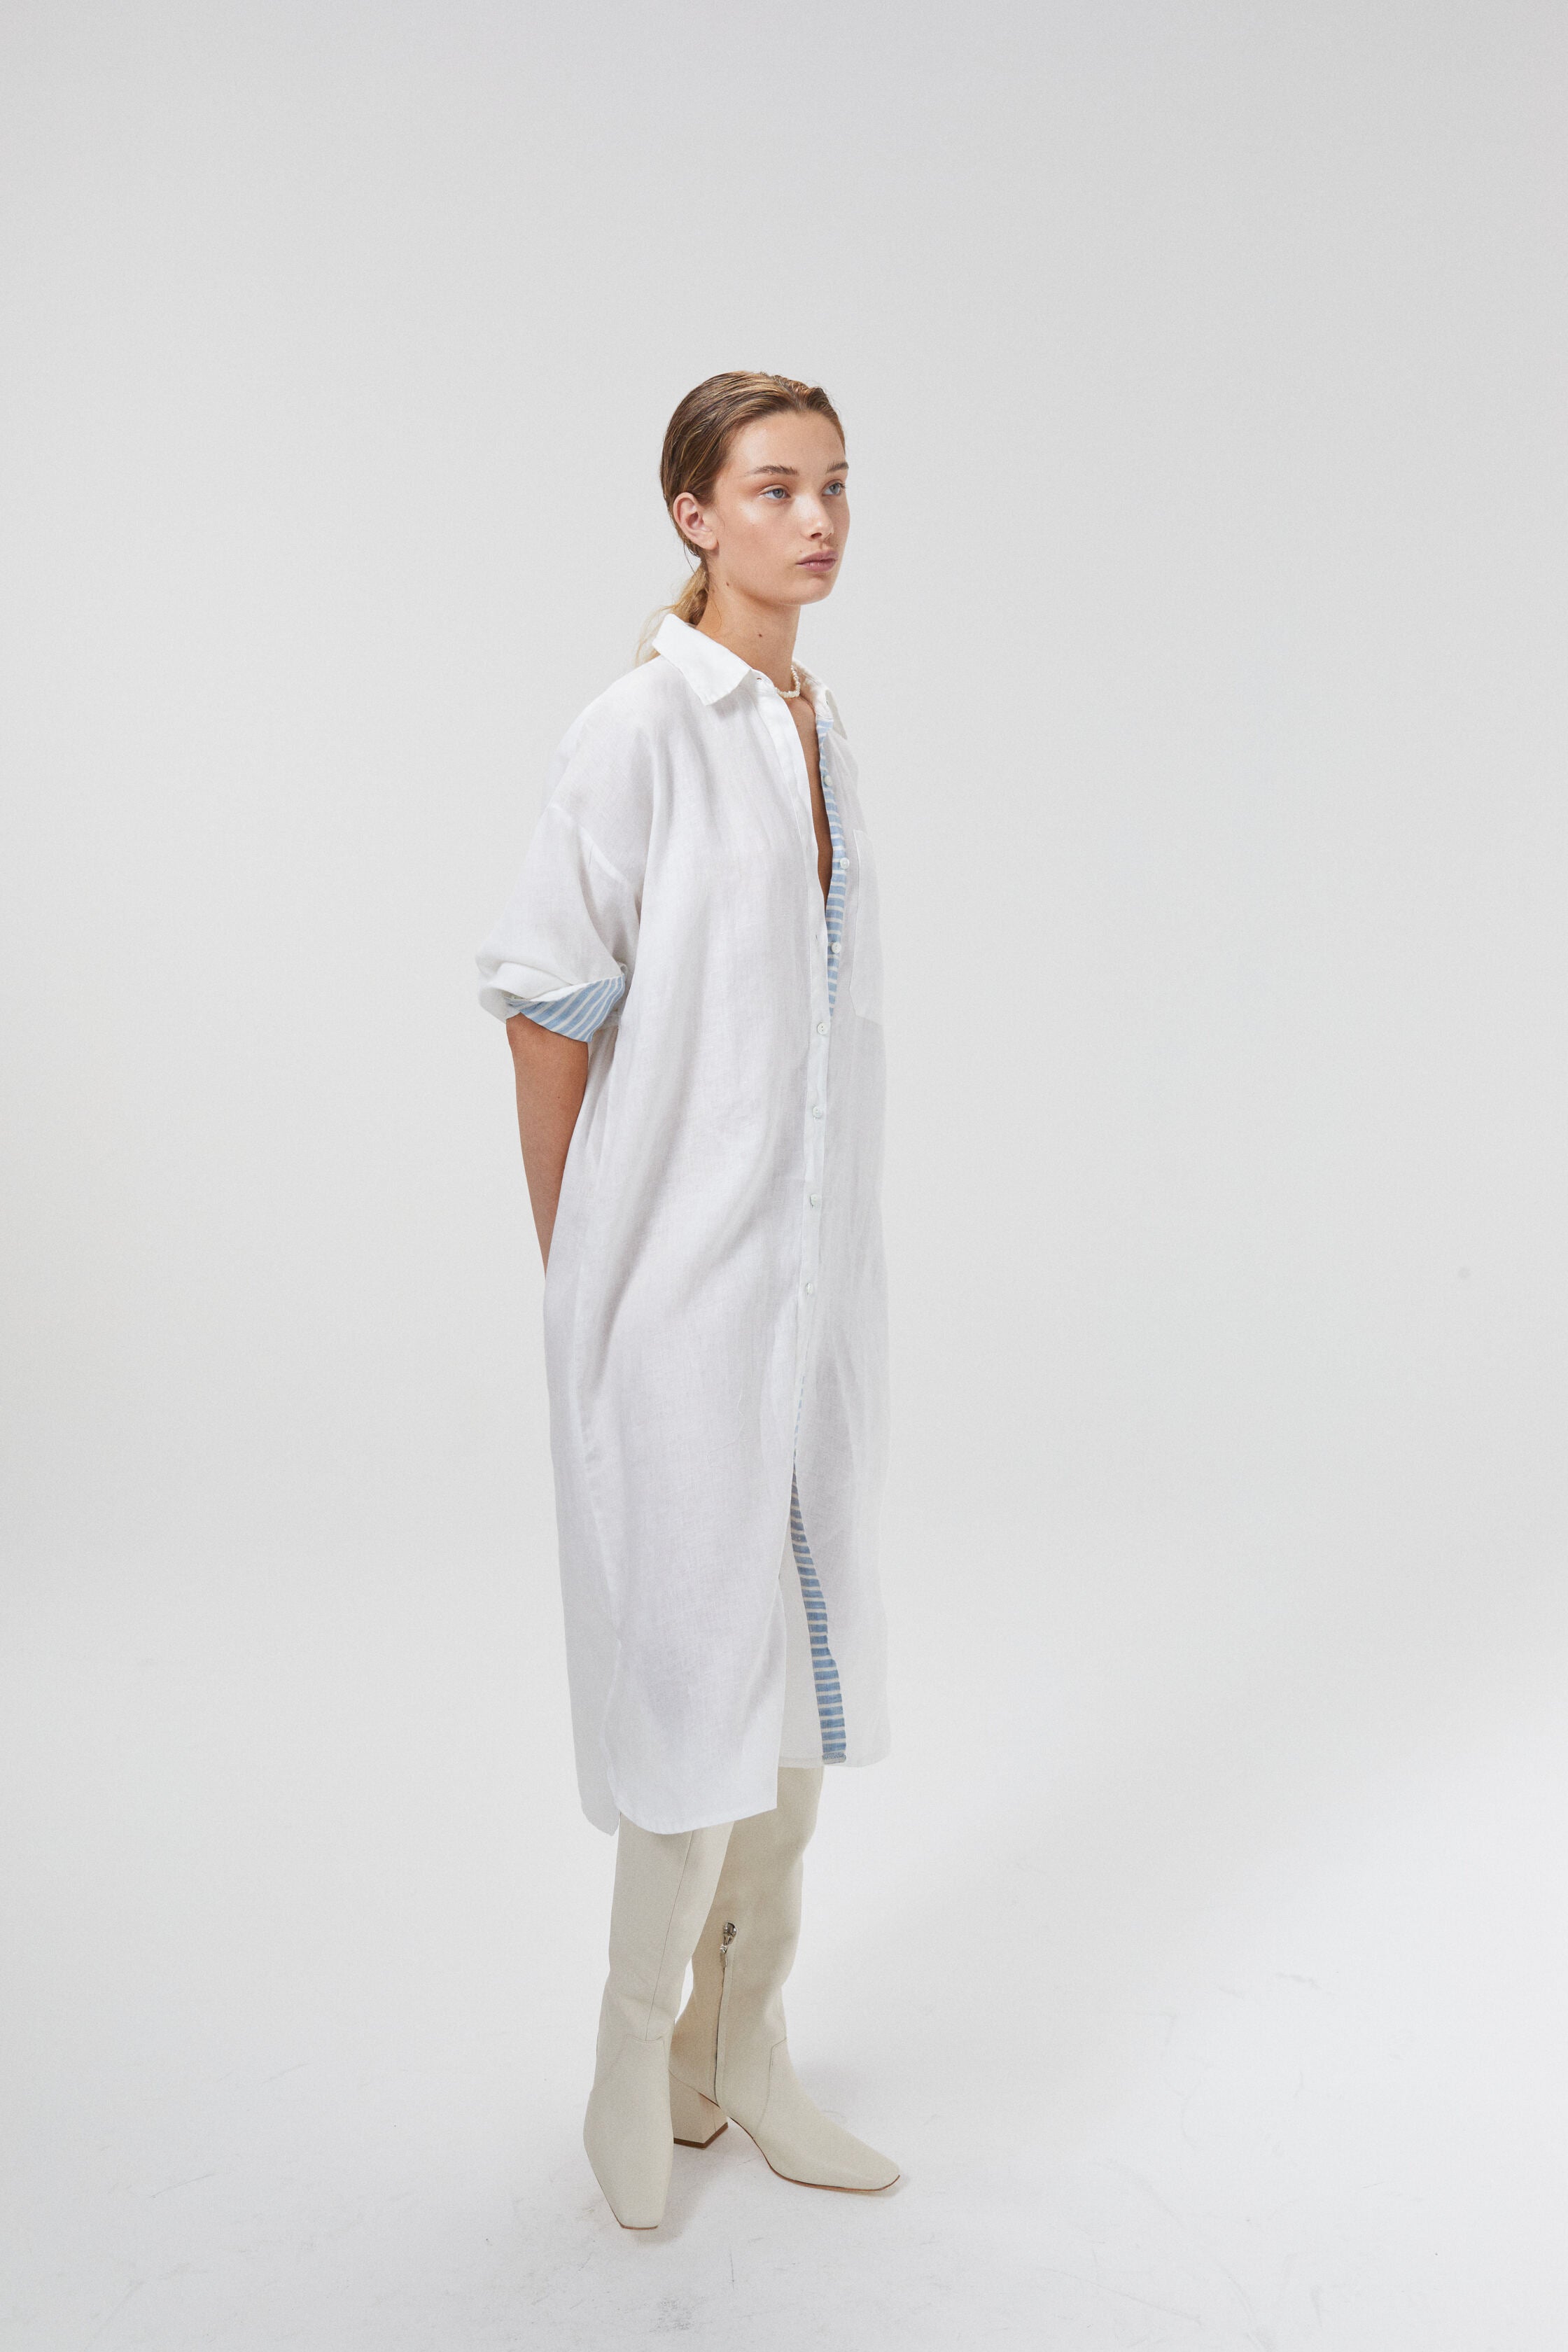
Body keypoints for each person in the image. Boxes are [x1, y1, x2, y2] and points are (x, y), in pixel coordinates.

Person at [476, 372, 897, 2229]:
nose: (817, 521)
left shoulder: (821, 729)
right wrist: (581, 1261)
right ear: (693, 513)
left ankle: (748, 2053)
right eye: (775, 488)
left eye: (835, 487)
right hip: (672, 1299)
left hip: (808, 1298)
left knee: (795, 1678)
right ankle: (630, 2059)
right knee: (688, 1676)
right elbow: (546, 1005)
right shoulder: (642, 727)